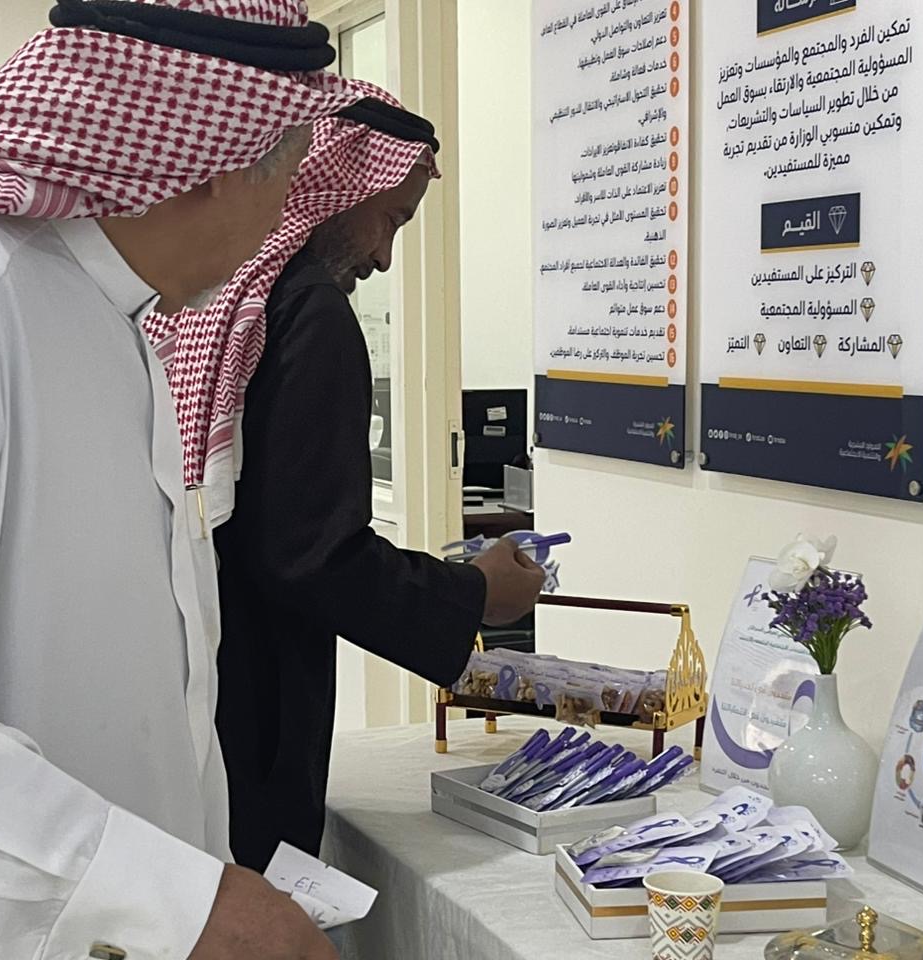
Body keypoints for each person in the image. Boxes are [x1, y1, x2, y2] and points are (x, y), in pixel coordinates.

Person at [0, 3, 373, 958]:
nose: (285, 222)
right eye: (288, 181)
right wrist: (161, 900)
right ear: (218, 162)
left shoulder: (114, 320)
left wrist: (188, 890)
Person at [201, 98, 546, 871]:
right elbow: (308, 556)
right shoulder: (309, 312)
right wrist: (474, 593)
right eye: (391, 220)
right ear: (341, 186)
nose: (384, 258)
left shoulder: (228, 298)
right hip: (252, 693)